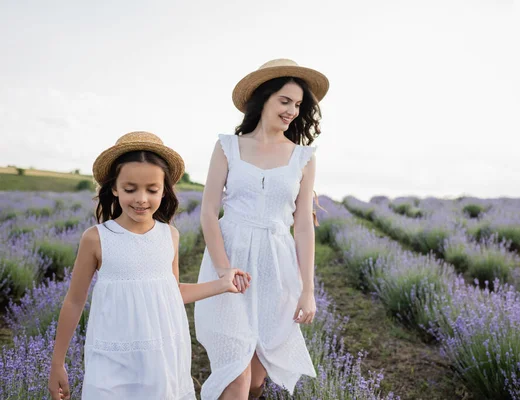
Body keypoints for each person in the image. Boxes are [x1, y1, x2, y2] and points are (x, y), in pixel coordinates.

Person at [48, 131, 251, 400]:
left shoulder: (170, 236)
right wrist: (57, 362)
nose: (141, 198)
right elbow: (74, 301)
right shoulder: (97, 238)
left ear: (164, 190)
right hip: (112, 353)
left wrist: (222, 284)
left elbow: (172, 291)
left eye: (152, 190)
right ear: (114, 188)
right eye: (130, 189)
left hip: (162, 351)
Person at [194, 58, 329, 399]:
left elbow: (303, 227)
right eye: (285, 101)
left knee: (255, 378)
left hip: (275, 266)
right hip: (230, 260)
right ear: (263, 99)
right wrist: (224, 271)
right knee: (235, 372)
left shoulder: (303, 156)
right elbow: (209, 212)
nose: (292, 111)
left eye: (298, 105)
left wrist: (308, 289)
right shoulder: (228, 146)